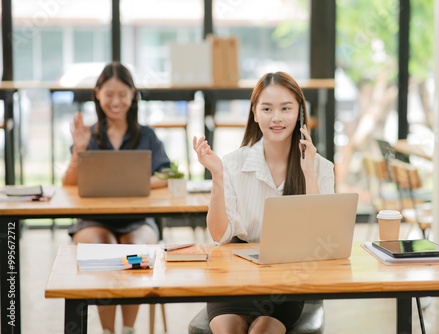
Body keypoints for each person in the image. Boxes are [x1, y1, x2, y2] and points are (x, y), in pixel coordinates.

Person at [193, 72, 334, 334]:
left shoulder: (321, 168)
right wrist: (218, 177)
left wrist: (309, 172)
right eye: (267, 109)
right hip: (236, 276)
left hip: (286, 281)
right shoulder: (232, 163)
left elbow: (320, 241)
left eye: (286, 108)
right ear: (255, 113)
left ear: (300, 113)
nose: (276, 117)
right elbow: (219, 234)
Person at [62, 62, 170, 334]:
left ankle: (128, 330)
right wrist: (79, 150)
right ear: (97, 94)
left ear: (133, 94)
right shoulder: (90, 135)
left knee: (134, 254)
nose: (116, 101)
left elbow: (167, 174)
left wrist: (136, 183)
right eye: (109, 94)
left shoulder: (146, 135)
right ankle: (108, 331)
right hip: (93, 221)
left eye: (122, 93)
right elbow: (68, 183)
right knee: (106, 253)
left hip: (137, 220)